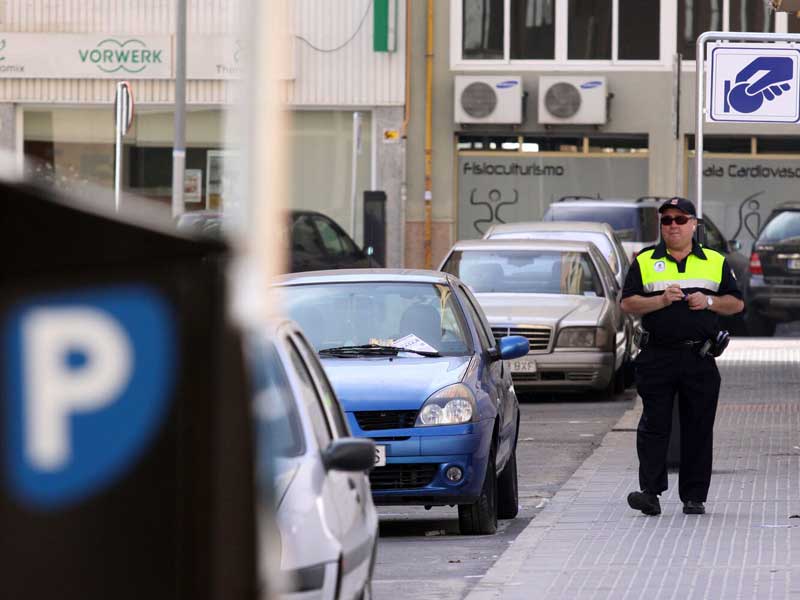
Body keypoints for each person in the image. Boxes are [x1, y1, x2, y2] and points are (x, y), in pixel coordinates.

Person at [620, 197, 744, 516]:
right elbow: (628, 304)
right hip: (657, 355)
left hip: (699, 357)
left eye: (679, 219)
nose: (672, 225)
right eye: (666, 220)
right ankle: (650, 492)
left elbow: (737, 304)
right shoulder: (645, 260)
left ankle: (694, 497)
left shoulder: (714, 260)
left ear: (693, 224)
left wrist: (710, 302)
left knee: (698, 427)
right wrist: (660, 300)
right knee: (654, 424)